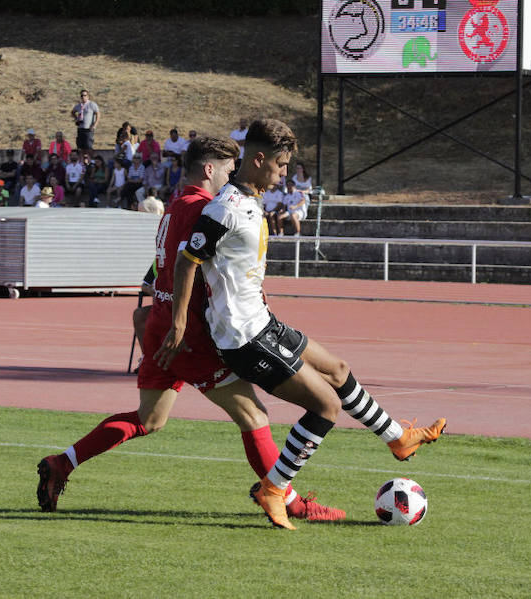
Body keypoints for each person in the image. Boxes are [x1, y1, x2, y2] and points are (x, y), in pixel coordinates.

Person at [36, 136, 344, 522]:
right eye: (230, 170)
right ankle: (290, 501)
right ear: (210, 170)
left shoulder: (172, 209)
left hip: (161, 327)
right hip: (187, 336)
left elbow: (155, 272)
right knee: (254, 416)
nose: (234, 177)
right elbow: (188, 264)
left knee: (149, 419)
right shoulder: (203, 209)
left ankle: (62, 462)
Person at [159, 119, 446, 530]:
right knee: (326, 405)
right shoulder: (226, 207)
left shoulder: (249, 197)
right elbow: (188, 261)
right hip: (244, 337)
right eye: (280, 164)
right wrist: (179, 324)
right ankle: (274, 489)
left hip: (263, 323)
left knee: (339, 371)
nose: (283, 173)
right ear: (258, 159)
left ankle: (398, 438)